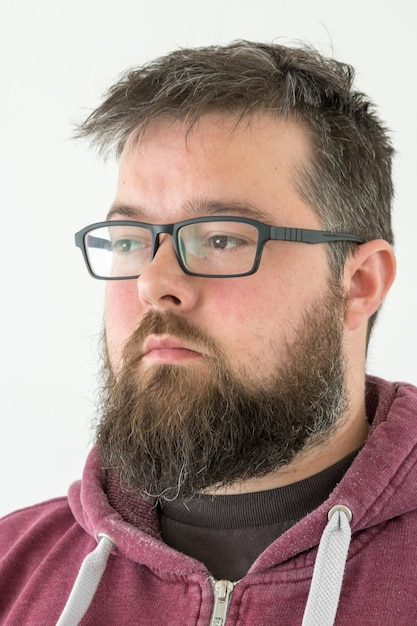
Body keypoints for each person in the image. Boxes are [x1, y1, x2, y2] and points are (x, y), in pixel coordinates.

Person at [1, 40, 416, 626]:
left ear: (359, 283)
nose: (155, 283)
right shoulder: (12, 570)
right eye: (128, 240)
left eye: (221, 238)